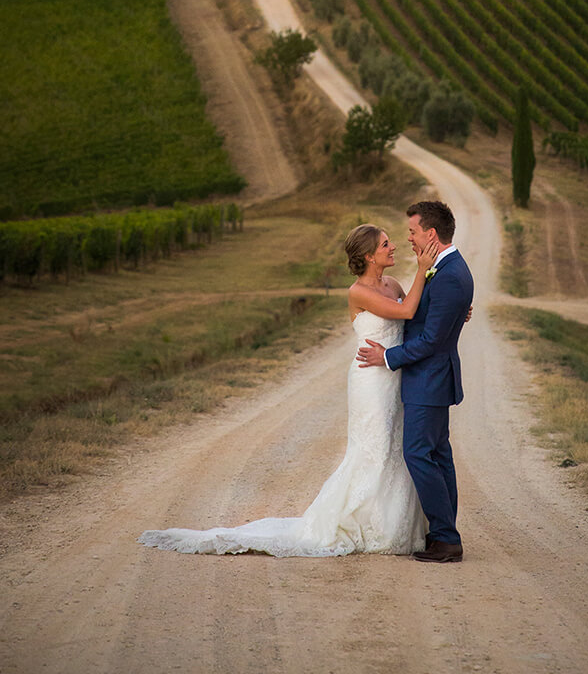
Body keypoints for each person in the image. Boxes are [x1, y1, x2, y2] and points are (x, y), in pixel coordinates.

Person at [138, 224, 439, 557]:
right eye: (385, 244)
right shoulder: (358, 292)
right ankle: (365, 524)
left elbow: (415, 318)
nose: (393, 246)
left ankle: (393, 524)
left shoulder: (393, 284)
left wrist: (451, 314)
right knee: (374, 446)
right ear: (369, 256)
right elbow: (406, 310)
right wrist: (423, 270)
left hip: (394, 376)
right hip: (371, 380)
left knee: (394, 446)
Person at [357, 200, 474, 563]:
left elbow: (431, 341)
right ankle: (443, 534)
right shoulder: (443, 269)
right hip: (431, 380)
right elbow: (420, 315)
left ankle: (445, 538)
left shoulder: (450, 275)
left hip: (429, 380)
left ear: (431, 234)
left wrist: (387, 357)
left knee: (418, 454)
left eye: (412, 231)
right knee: (438, 455)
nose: (408, 238)